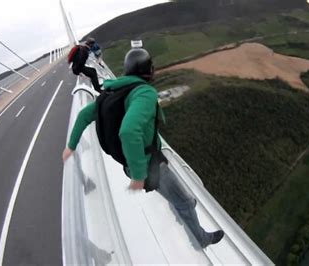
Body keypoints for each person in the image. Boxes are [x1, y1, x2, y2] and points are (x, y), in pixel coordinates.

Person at [62, 48, 224, 248]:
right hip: (150, 166)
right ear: (148, 70)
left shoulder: (115, 90)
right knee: (187, 202)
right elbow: (128, 131)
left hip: (131, 164)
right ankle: (201, 239)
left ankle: (180, 211)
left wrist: (71, 146)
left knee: (174, 196)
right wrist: (139, 175)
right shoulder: (145, 92)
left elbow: (84, 115)